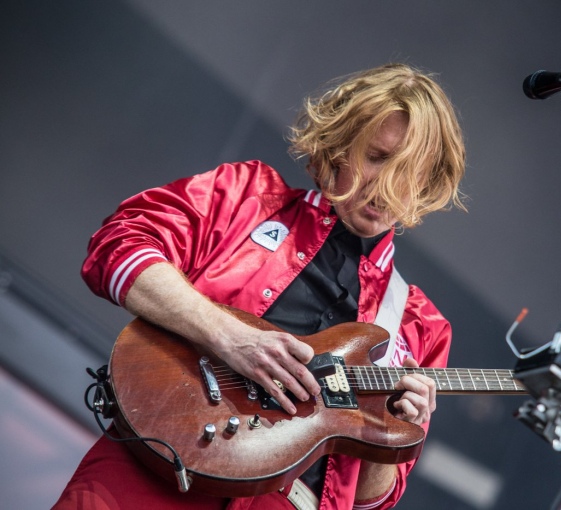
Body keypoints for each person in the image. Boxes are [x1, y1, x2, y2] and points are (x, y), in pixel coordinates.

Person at [54, 63, 466, 510]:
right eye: (377, 157)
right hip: (159, 461)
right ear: (341, 146)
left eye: (408, 172)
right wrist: (231, 338)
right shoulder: (249, 198)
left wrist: (391, 432)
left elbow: (370, 504)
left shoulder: (419, 324)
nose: (386, 186)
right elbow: (118, 247)